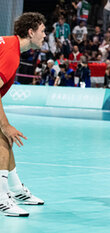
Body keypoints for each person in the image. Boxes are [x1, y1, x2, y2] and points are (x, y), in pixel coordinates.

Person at [0, 12, 46, 217]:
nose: (45, 35)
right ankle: (2, 199)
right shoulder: (11, 54)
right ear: (31, 31)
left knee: (5, 139)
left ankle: (16, 191)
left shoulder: (10, 45)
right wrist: (5, 125)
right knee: (2, 139)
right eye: (42, 31)